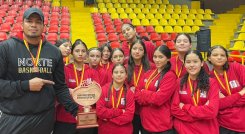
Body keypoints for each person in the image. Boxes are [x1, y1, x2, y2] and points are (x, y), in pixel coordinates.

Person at [0, 8, 78, 134]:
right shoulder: (6, 48)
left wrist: (76, 111)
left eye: (38, 22)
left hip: (44, 118)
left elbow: (60, 87)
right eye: (29, 21)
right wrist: (25, 85)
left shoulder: (54, 52)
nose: (33, 25)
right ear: (22, 24)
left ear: (43, 26)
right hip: (14, 117)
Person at [54, 40, 99, 134]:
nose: (80, 53)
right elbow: (60, 91)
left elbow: (96, 93)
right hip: (66, 117)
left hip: (86, 116)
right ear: (72, 53)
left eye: (83, 51)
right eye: (77, 51)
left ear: (86, 54)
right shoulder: (63, 70)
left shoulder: (92, 72)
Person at [171, 50, 219, 134]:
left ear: (201, 63)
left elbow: (212, 112)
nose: (192, 65)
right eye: (188, 62)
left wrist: (185, 107)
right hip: (184, 129)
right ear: (184, 64)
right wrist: (201, 113)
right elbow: (174, 109)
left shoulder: (211, 82)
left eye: (195, 61)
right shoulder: (179, 82)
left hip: (207, 129)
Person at [134, 45, 177, 134]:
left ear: (168, 58)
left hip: (161, 126)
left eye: (161, 57)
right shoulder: (148, 73)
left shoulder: (170, 76)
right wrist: (151, 94)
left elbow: (158, 99)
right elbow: (136, 93)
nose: (157, 60)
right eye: (155, 57)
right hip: (145, 123)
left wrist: (143, 92)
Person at [207, 45, 245, 134]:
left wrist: (227, 100)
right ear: (209, 58)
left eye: (222, 55)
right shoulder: (209, 79)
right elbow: (218, 104)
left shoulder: (237, 67)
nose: (219, 57)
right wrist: (241, 93)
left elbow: (223, 102)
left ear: (226, 58)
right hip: (224, 125)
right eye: (215, 55)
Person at [96, 64, 135, 134]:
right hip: (105, 131)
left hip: (124, 131)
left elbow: (129, 116)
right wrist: (120, 111)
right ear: (112, 75)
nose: (119, 75)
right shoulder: (103, 90)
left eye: (122, 72)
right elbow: (100, 112)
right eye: (116, 72)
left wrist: (108, 118)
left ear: (126, 75)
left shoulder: (129, 93)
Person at [126, 39, 152, 134]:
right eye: (135, 48)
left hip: (147, 109)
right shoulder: (125, 68)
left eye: (140, 49)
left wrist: (136, 91)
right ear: (130, 50)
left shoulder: (151, 68)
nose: (137, 51)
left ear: (144, 52)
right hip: (131, 110)